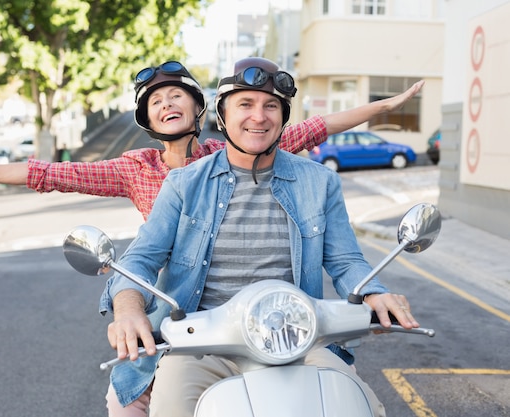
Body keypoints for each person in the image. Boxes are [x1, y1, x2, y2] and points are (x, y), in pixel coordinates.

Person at [100, 57, 421, 417]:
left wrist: (376, 292)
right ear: (222, 117)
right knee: (170, 406)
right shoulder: (184, 184)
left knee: (360, 407)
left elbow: (346, 260)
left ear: (283, 117)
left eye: (271, 105)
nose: (259, 116)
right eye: (245, 104)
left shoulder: (320, 182)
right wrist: (128, 310)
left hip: (296, 339)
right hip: (203, 345)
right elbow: (140, 259)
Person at [0, 61, 424, 222]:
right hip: (168, 296)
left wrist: (382, 107)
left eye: (177, 95)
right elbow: (47, 174)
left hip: (244, 293)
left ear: (200, 110)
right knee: (130, 390)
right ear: (147, 118)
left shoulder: (232, 150)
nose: (167, 104)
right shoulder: (134, 167)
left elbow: (314, 128)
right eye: (156, 101)